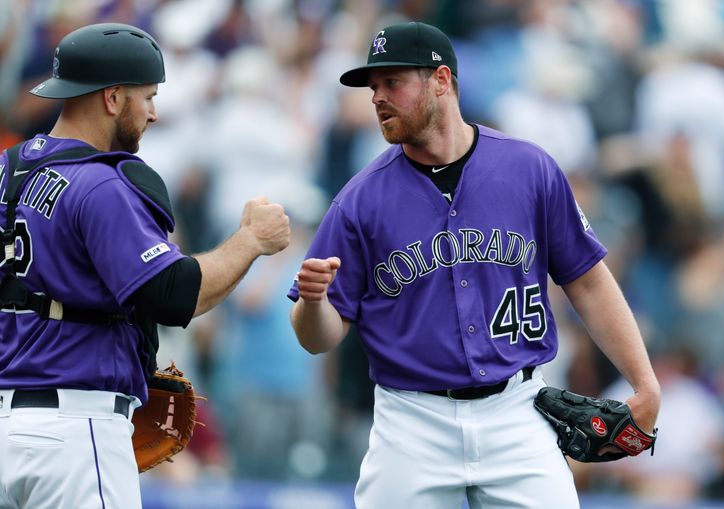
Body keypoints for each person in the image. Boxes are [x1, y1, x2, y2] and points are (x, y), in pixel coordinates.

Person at [289, 21, 660, 508]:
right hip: (412, 422)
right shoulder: (358, 202)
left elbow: (587, 281)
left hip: (518, 410)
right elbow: (319, 338)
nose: (377, 97)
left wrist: (644, 380)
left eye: (392, 82)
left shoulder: (529, 169)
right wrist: (313, 303)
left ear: (441, 81)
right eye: (373, 87)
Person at [0, 23, 290, 509]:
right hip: (74, 431)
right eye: (147, 96)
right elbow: (174, 294)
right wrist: (250, 241)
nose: (154, 113)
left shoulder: (6, 171)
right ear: (112, 98)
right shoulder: (100, 184)